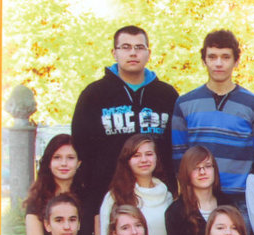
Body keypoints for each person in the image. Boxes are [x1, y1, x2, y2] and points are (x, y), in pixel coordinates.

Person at [72, 25, 178, 220]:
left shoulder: (167, 95)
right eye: (126, 47)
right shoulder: (94, 95)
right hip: (106, 194)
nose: (133, 53)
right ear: (114, 53)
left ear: (148, 53)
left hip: (157, 197)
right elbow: (81, 146)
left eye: (139, 47)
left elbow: (176, 147)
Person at [171, 30, 254, 214]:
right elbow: (179, 157)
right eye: (212, 57)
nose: (219, 63)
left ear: (236, 61)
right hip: (198, 201)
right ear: (204, 60)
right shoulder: (184, 103)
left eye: (225, 57)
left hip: (241, 202)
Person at [97, 134, 174, 235]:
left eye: (149, 154)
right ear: (127, 160)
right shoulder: (115, 197)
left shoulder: (167, 196)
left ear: (156, 158)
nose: (144, 160)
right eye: (136, 155)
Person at [24, 133, 93, 235]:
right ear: (49, 163)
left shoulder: (89, 198)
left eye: (70, 158)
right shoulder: (37, 201)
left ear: (78, 163)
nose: (64, 163)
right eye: (57, 157)